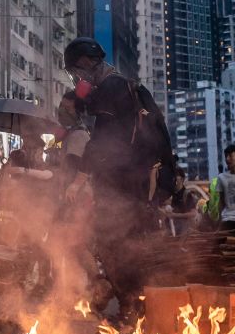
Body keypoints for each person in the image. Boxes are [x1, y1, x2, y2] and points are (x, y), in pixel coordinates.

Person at [61, 37, 173, 316]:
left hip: (122, 185)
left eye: (76, 72)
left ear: (86, 64)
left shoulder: (111, 88)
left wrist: (79, 179)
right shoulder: (128, 86)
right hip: (137, 185)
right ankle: (138, 307)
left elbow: (99, 143)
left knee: (115, 243)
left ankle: (131, 308)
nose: (77, 79)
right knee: (132, 244)